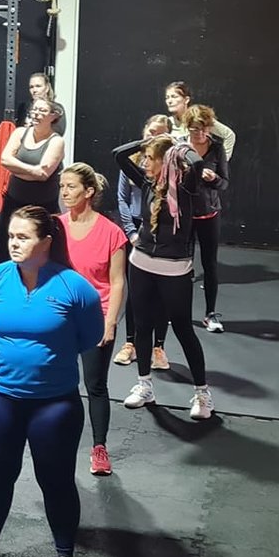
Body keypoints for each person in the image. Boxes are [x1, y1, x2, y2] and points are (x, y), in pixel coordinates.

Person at [0, 205, 99, 557]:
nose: (14, 243)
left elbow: (88, 339)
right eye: (11, 236)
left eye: (23, 237)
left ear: (47, 242)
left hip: (54, 405)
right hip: (0, 400)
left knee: (55, 482)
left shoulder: (75, 288)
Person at [114, 134, 215, 420]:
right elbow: (119, 154)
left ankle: (202, 394)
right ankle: (144, 385)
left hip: (174, 267)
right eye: (145, 157)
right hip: (142, 262)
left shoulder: (186, 188)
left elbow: (196, 165)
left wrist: (180, 149)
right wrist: (148, 140)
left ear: (166, 162)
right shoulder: (147, 183)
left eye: (151, 158)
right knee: (142, 326)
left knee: (183, 329)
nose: (145, 162)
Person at [58, 163, 127, 476]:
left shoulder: (111, 233)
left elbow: (117, 282)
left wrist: (110, 322)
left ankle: (99, 448)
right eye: (62, 187)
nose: (64, 192)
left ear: (88, 192)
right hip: (60, 318)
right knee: (60, 383)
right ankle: (60, 442)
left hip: (94, 317)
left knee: (95, 385)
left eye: (71, 186)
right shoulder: (56, 227)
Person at [113, 114, 173, 369]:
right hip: (136, 228)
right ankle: (131, 344)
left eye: (160, 134)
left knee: (161, 294)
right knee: (135, 292)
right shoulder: (137, 166)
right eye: (151, 132)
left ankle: (158, 347)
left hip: (161, 231)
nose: (154, 137)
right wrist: (131, 232)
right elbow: (123, 200)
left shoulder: (171, 171)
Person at [0, 99, 65, 268]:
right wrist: (33, 170)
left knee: (41, 247)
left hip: (42, 206)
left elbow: (43, 174)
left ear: (53, 116)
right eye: (34, 110)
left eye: (42, 111)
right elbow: (4, 160)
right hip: (13, 201)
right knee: (3, 245)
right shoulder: (20, 133)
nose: (36, 114)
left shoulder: (56, 141)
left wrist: (17, 167)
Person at [180, 105, 232, 333]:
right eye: (193, 129)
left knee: (209, 265)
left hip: (209, 212)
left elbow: (225, 183)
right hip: (184, 213)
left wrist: (213, 179)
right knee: (182, 264)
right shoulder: (180, 146)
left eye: (202, 129)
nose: (198, 134)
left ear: (209, 128)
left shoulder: (217, 149)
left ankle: (210, 314)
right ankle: (178, 311)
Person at [164, 81, 235, 160]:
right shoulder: (167, 122)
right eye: (167, 97)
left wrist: (222, 160)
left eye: (174, 96)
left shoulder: (200, 117)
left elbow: (229, 135)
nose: (169, 101)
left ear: (186, 99)